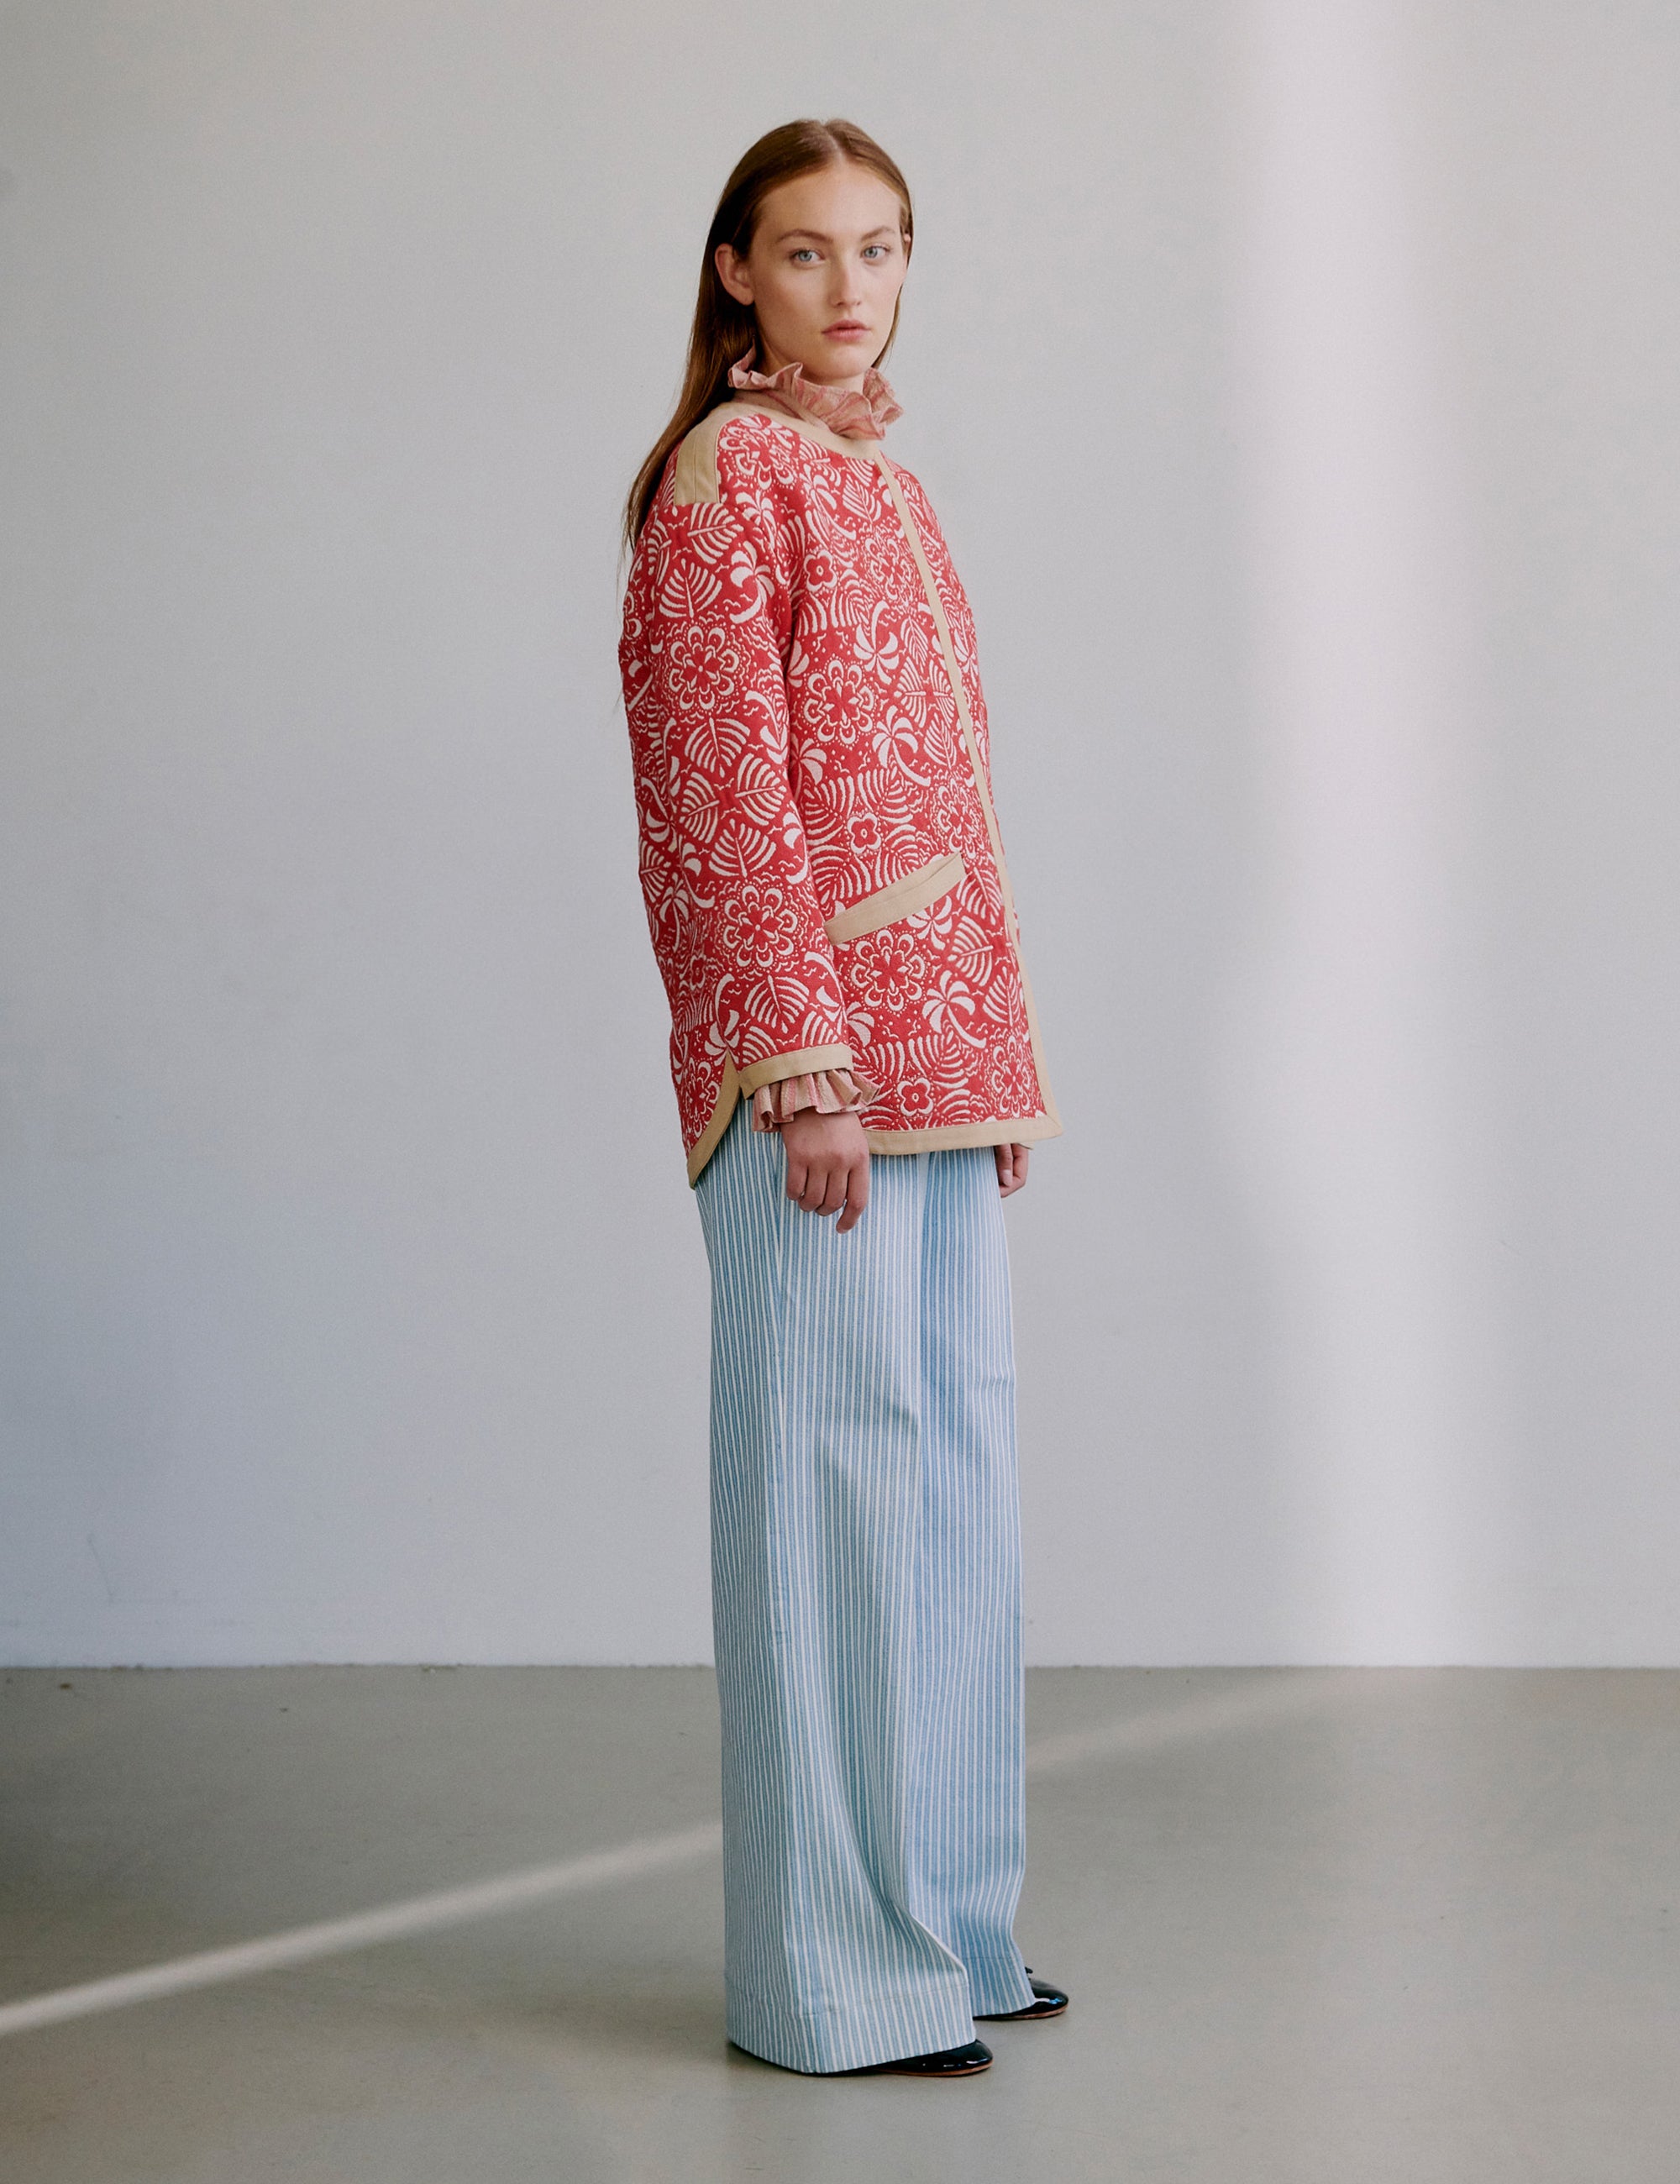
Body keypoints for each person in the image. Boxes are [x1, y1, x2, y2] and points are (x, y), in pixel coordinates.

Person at [618, 117, 1066, 2079]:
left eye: (880, 248)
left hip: (943, 1069)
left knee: (950, 1487)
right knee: (827, 1498)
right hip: (811, 1075)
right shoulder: (723, 484)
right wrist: (799, 1064)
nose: (851, 284)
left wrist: (992, 1058)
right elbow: (719, 799)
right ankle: (828, 1974)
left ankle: (952, 1928)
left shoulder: (879, 477)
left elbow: (936, 786)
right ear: (735, 270)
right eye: (805, 252)